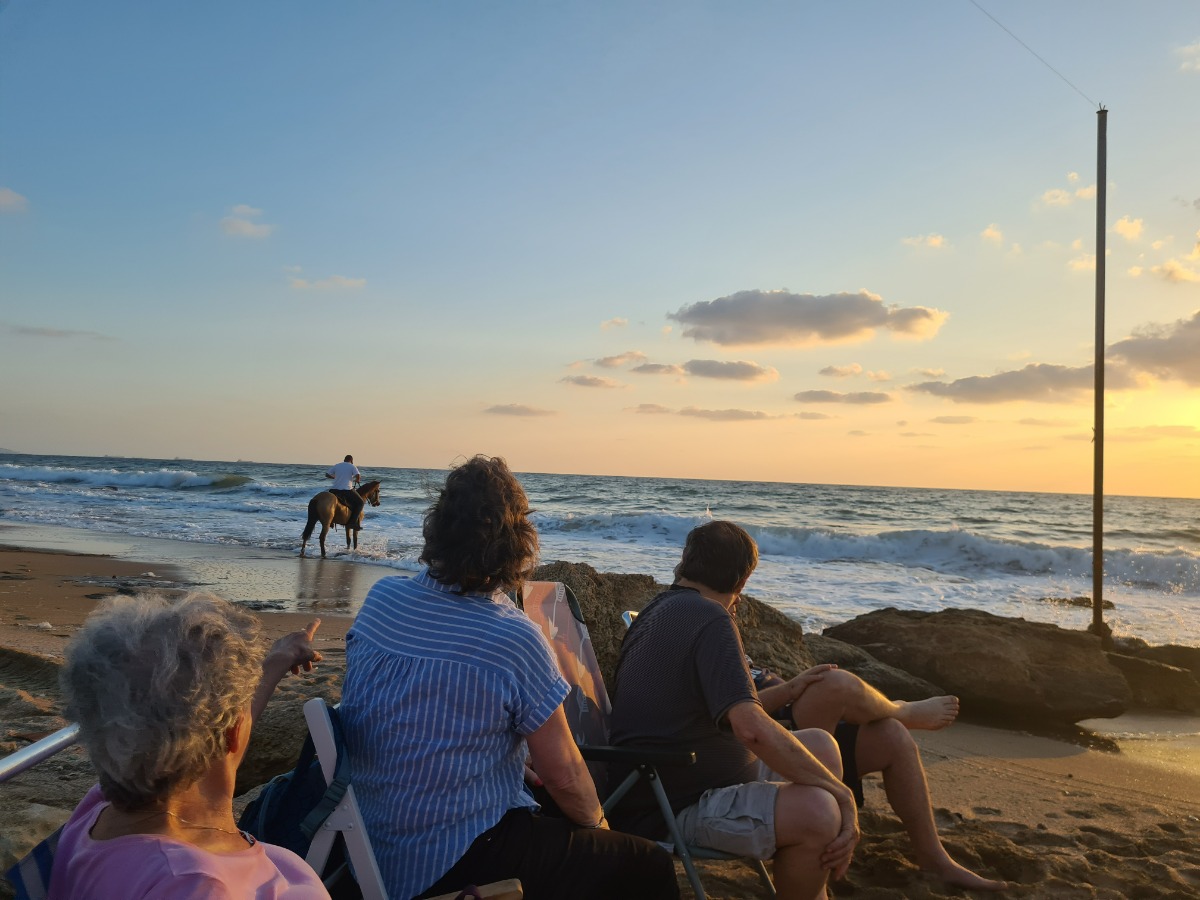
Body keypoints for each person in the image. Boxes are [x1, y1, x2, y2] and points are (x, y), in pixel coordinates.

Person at [339, 455, 678, 900]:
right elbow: (565, 775)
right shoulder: (511, 636)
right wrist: (600, 829)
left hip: (368, 843)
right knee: (645, 864)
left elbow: (411, 709)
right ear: (517, 542)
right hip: (449, 856)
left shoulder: (383, 598)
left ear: (437, 527)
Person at [607, 520, 859, 900]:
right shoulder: (710, 618)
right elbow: (751, 728)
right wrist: (842, 795)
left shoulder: (660, 609)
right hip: (672, 808)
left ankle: (810, 886)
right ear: (742, 583)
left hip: (665, 781)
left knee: (822, 745)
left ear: (685, 563)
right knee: (819, 811)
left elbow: (735, 711)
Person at [48, 593, 328, 899]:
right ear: (234, 731)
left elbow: (207, 732)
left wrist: (278, 659)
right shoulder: (191, 884)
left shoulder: (100, 807)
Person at [748, 652, 1007, 891]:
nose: (737, 599)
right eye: (730, 596)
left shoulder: (723, 623)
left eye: (738, 596)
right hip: (758, 741)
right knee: (834, 685)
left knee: (891, 735)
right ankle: (903, 710)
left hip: (785, 719)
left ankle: (934, 859)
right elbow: (731, 712)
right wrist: (789, 689)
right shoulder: (709, 623)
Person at [324, 454, 363, 528]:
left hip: (334, 490)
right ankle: (352, 522)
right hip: (346, 490)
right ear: (351, 460)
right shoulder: (352, 466)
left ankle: (331, 520)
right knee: (360, 503)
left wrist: (334, 477)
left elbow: (327, 474)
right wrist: (357, 480)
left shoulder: (337, 465)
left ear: (344, 459)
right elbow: (358, 475)